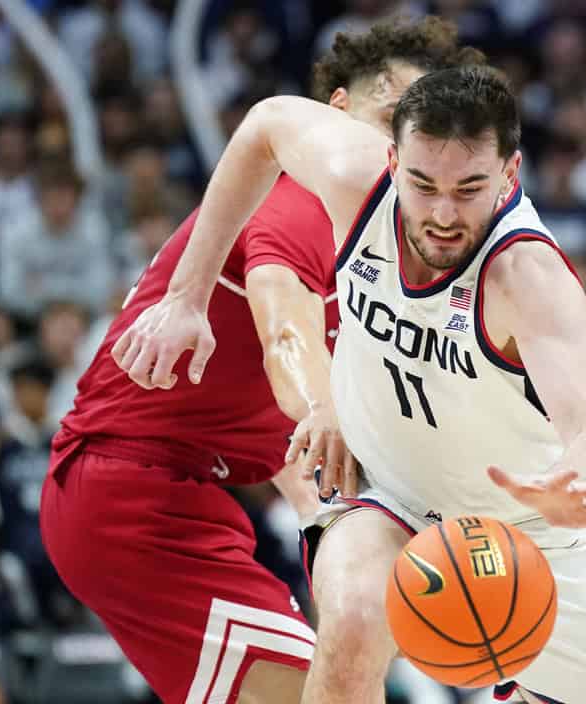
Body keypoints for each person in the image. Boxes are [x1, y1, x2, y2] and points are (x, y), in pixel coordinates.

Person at [112, 65, 586, 703]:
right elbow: (265, 125)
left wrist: (572, 481)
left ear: (510, 173)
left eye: (469, 188)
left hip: (523, 527)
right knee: (359, 612)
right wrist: (187, 295)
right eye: (423, 184)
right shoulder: (353, 178)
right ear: (392, 160)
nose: (443, 213)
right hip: (388, 494)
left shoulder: (527, 278)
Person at [38, 18, 483, 704]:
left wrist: (324, 509)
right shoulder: (306, 196)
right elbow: (285, 333)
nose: (403, 141)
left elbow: (257, 408)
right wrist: (320, 411)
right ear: (337, 113)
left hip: (169, 492)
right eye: (393, 116)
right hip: (132, 496)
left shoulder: (370, 247)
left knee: (341, 684)